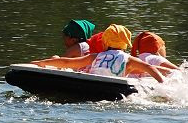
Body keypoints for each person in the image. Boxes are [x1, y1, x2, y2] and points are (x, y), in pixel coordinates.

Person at [30, 24, 165, 82]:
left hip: (92, 85)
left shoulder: (95, 57)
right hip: (114, 90)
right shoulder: (129, 60)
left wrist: (43, 62)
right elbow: (149, 67)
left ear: (104, 43)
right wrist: (162, 82)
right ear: (125, 44)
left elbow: (66, 62)